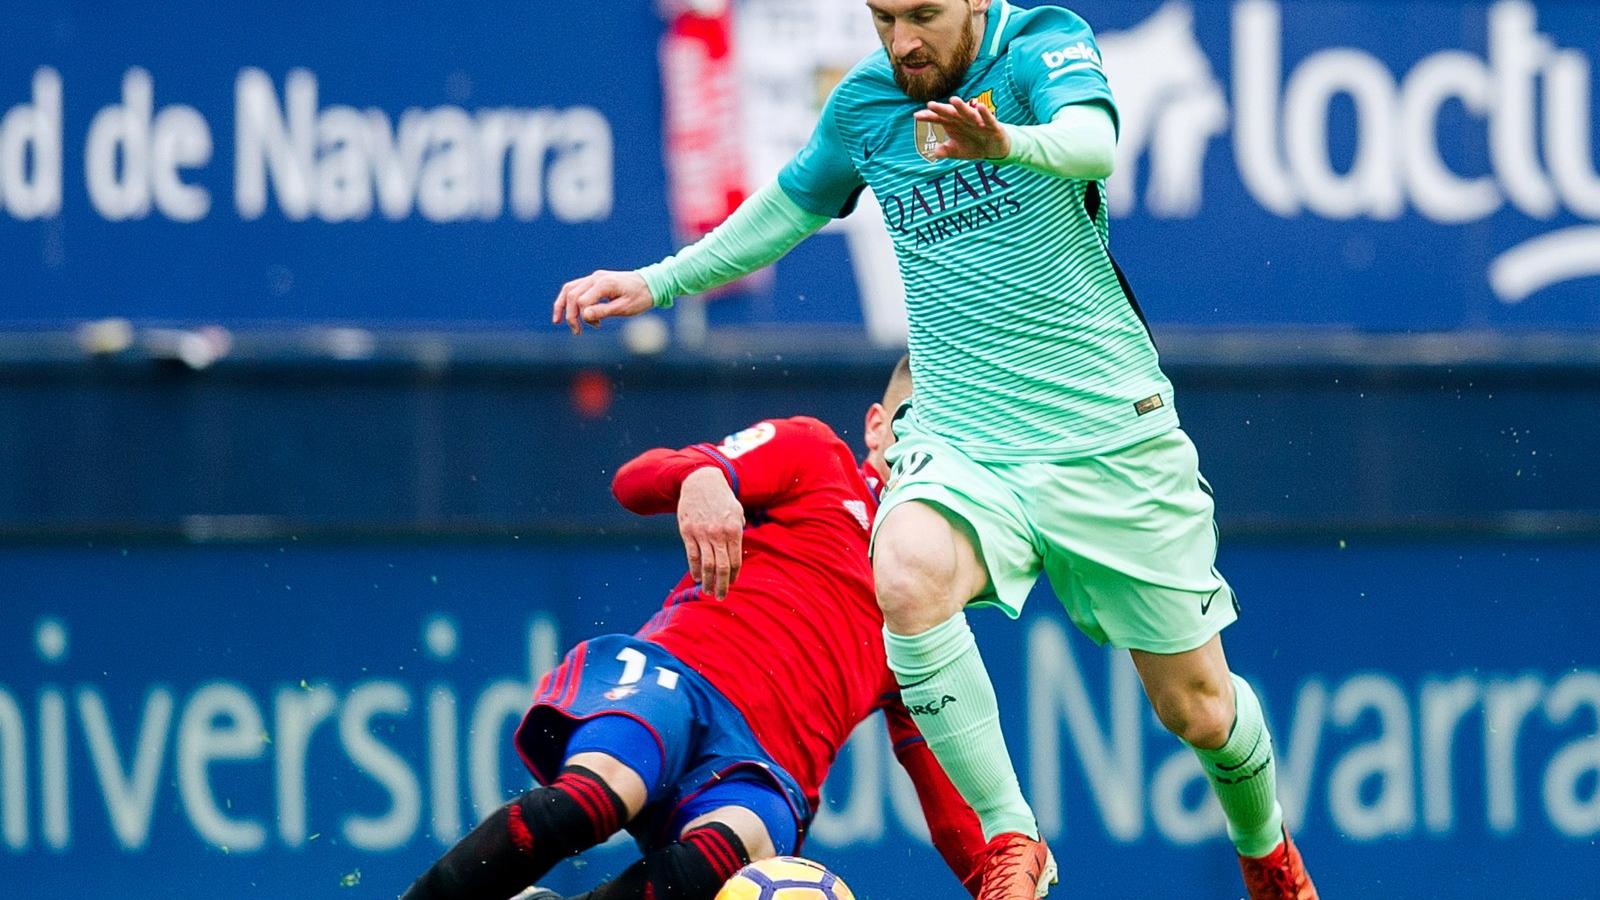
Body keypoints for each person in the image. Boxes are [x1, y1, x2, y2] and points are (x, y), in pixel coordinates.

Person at [549, 2, 1318, 898]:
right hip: (962, 437)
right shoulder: (868, 106)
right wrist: (656, 283)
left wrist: (1007, 146)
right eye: (883, 18)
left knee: (1199, 709)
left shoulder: (1039, 45)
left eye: (922, 15)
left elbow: (1092, 143)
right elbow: (789, 208)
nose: (902, 41)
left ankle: (1269, 855)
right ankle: (1012, 839)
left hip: (1107, 434)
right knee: (906, 572)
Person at [401, 359, 987, 900]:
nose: (931, 452)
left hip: (763, 772)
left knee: (735, 852)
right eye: (921, 424)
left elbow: (955, 808)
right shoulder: (816, 457)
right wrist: (700, 477)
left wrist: (1006, 880)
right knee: (594, 798)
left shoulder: (929, 606)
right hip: (676, 683)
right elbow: (632, 482)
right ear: (876, 426)